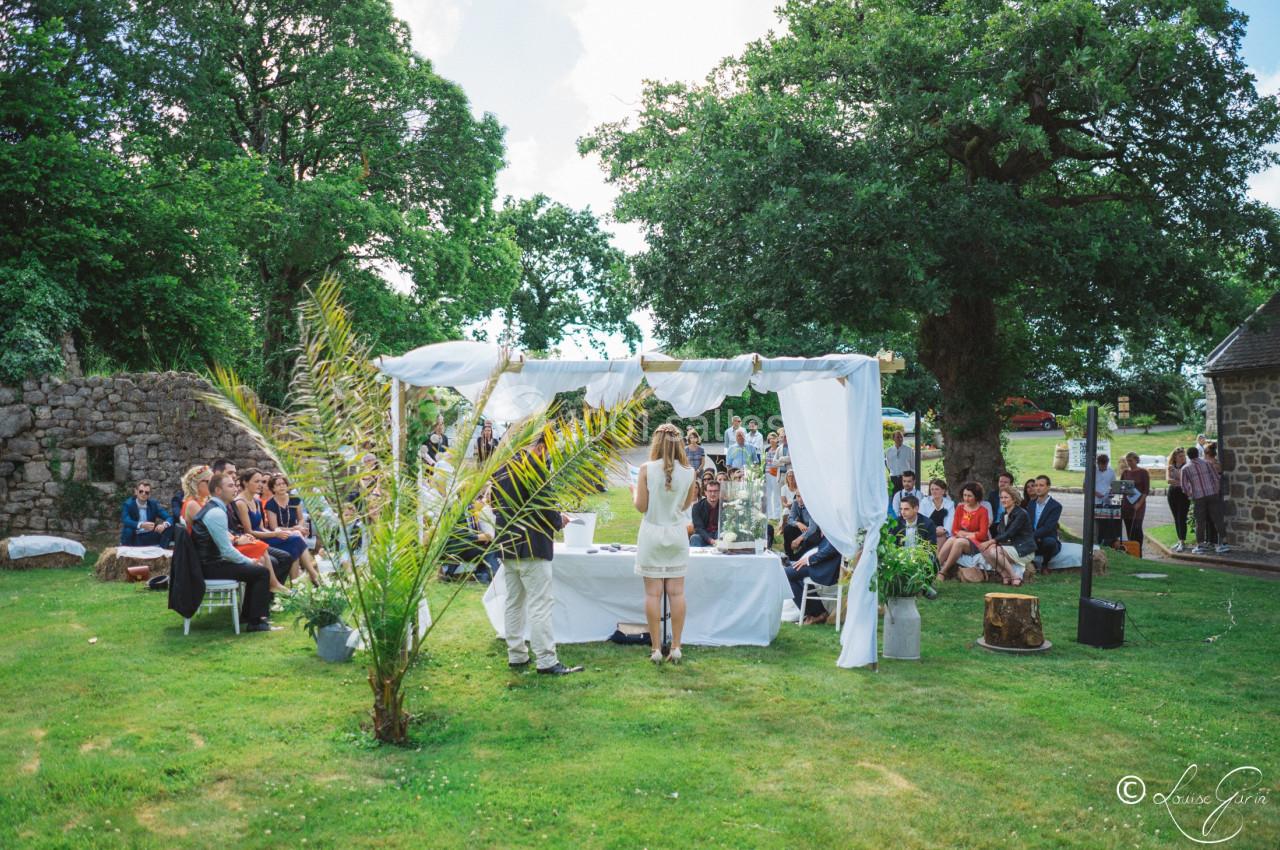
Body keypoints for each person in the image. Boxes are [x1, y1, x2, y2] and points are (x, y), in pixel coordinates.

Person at [491, 433, 581, 676]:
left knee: (514, 601)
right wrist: (559, 520)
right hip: (532, 545)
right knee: (540, 604)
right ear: (540, 447)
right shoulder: (535, 468)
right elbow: (547, 507)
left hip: (509, 545)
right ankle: (546, 659)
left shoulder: (501, 469)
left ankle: (517, 654)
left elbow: (494, 504)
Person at [632, 424, 699, 665]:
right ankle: (677, 646)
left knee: (653, 593)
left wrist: (633, 493)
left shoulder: (646, 469)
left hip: (651, 533)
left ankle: (656, 648)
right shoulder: (690, 472)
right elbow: (684, 506)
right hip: (676, 534)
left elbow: (641, 506)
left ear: (656, 443)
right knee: (677, 593)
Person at [190, 472, 276, 631]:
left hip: (209, 563)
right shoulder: (216, 513)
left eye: (235, 485)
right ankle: (256, 623)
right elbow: (226, 551)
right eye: (230, 486)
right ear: (218, 491)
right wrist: (249, 561)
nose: (235, 489)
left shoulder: (214, 508)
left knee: (257, 571)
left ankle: (248, 616)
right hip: (210, 567)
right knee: (261, 572)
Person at [263, 474, 320, 584]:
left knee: (296, 541)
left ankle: (295, 583)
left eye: (284, 484)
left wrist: (299, 526)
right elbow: (274, 527)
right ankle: (312, 572)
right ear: (273, 488)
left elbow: (301, 519)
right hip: (279, 535)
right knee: (296, 537)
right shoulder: (270, 504)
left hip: (294, 533)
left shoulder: (294, 500)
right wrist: (294, 529)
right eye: (278, 485)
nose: (282, 486)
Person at [784, 521, 842, 625]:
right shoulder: (830, 524)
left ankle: (816, 613)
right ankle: (817, 613)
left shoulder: (836, 525)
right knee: (789, 575)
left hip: (826, 568)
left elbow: (830, 549)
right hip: (820, 564)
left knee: (785, 574)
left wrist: (809, 560)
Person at [978, 486, 1036, 586]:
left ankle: (1014, 576)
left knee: (994, 550)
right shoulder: (1004, 514)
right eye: (1001, 498)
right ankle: (1005, 575)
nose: (1003, 500)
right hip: (1011, 547)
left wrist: (990, 542)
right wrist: (991, 544)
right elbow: (1001, 535)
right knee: (985, 550)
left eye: (1006, 497)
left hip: (1023, 550)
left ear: (1013, 499)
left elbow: (1009, 533)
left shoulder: (1021, 513)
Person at [936, 483, 989, 579]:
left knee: (959, 541)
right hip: (960, 539)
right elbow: (954, 530)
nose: (966, 498)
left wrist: (965, 535)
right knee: (951, 540)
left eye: (969, 496)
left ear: (976, 497)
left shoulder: (983, 511)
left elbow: (982, 534)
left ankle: (943, 572)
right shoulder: (960, 508)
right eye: (965, 495)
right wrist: (968, 534)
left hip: (977, 543)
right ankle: (934, 568)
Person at [1182, 446, 1229, 555]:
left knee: (1200, 521)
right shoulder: (1207, 463)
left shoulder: (1185, 468)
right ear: (1198, 453)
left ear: (1188, 456)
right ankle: (1224, 543)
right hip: (1212, 494)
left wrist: (1190, 494)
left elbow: (1184, 486)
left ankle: (1200, 545)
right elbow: (1216, 478)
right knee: (1218, 518)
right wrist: (1216, 490)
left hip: (1198, 497)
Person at [119, 480, 175, 547]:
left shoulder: (153, 504)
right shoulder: (128, 504)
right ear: (136, 491)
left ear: (149, 494)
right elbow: (126, 520)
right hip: (135, 535)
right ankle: (127, 550)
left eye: (147, 492)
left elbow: (169, 517)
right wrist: (141, 525)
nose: (143, 494)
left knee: (169, 527)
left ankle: (162, 550)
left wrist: (164, 525)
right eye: (141, 491)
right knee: (128, 530)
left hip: (149, 534)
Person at [1027, 475, 1063, 566]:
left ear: (1048, 487)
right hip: (1033, 540)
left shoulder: (1055, 506)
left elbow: (1048, 527)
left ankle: (1045, 565)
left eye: (1041, 485)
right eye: (1036, 485)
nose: (1038, 488)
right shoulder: (1031, 503)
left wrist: (1031, 536)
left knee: (1049, 542)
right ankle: (1031, 564)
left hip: (1046, 539)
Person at [1120, 452, 1151, 548]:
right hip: (1126, 504)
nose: (1129, 463)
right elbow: (1120, 487)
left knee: (1137, 527)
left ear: (1136, 460)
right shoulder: (1125, 472)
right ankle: (1131, 549)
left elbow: (1146, 490)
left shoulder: (1143, 472)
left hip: (1139, 504)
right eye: (1127, 461)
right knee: (1129, 527)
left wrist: (1139, 504)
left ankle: (1138, 550)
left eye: (1131, 460)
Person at [1166, 447, 1191, 552]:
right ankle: (1179, 539)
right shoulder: (1170, 467)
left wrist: (1176, 475)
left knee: (1182, 517)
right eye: (1180, 456)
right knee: (1176, 517)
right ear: (1175, 457)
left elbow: (1184, 478)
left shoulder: (1187, 467)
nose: (1183, 457)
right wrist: (1178, 480)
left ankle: (1182, 541)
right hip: (1172, 493)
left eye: (1184, 455)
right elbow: (1168, 480)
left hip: (1183, 494)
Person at [1093, 454, 1120, 547]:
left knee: (1108, 522)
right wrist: (1095, 493)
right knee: (1096, 524)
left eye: (1105, 465)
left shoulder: (1111, 471)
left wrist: (1111, 493)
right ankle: (1096, 543)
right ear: (1098, 463)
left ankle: (1108, 542)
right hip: (1095, 501)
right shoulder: (1093, 471)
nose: (1103, 467)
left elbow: (1114, 486)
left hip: (1106, 501)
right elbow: (1086, 486)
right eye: (1101, 465)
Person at [783, 490, 818, 556]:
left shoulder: (812, 506)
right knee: (787, 528)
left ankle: (799, 556)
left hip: (813, 533)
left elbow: (813, 528)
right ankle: (788, 555)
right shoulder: (795, 503)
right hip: (803, 529)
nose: (800, 499)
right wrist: (798, 524)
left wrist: (798, 539)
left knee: (810, 539)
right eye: (798, 496)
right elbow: (790, 519)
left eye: (802, 496)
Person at [689, 480, 722, 546]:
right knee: (694, 538)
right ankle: (696, 556)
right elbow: (699, 528)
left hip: (718, 534)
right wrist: (710, 540)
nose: (713, 494)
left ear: (720, 492)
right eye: (710, 491)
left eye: (715, 491)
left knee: (724, 535)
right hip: (704, 535)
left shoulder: (725, 505)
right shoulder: (697, 507)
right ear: (705, 492)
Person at [924, 479, 954, 548]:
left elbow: (951, 519)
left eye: (937, 489)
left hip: (944, 532)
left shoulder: (950, 504)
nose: (934, 492)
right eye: (932, 489)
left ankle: (937, 558)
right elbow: (922, 518)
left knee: (941, 537)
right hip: (928, 530)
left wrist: (944, 530)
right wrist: (934, 529)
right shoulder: (924, 502)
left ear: (943, 491)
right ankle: (937, 558)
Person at [763, 432, 783, 522]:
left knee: (776, 494)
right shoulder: (767, 449)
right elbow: (764, 462)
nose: (771, 440)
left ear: (776, 439)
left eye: (773, 438)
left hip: (775, 474)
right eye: (770, 438)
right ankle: (769, 514)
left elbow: (780, 461)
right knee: (768, 494)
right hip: (767, 473)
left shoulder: (779, 449)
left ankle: (777, 514)